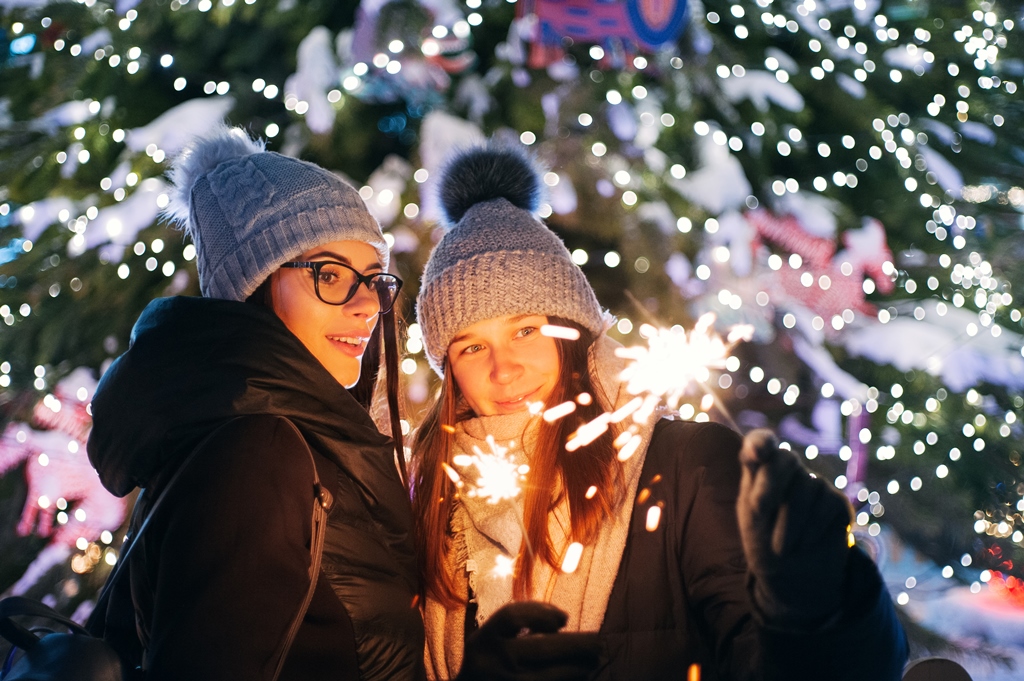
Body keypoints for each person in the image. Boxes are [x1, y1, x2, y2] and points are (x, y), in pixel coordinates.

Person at [411, 144, 910, 680]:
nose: (502, 369)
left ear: (573, 334)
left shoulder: (688, 467)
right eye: (470, 347)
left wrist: (825, 607)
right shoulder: (435, 510)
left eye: (526, 330)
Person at [85, 126, 423, 681]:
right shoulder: (259, 453)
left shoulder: (280, 435)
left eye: (373, 280)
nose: (367, 305)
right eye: (331, 275)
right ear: (254, 286)